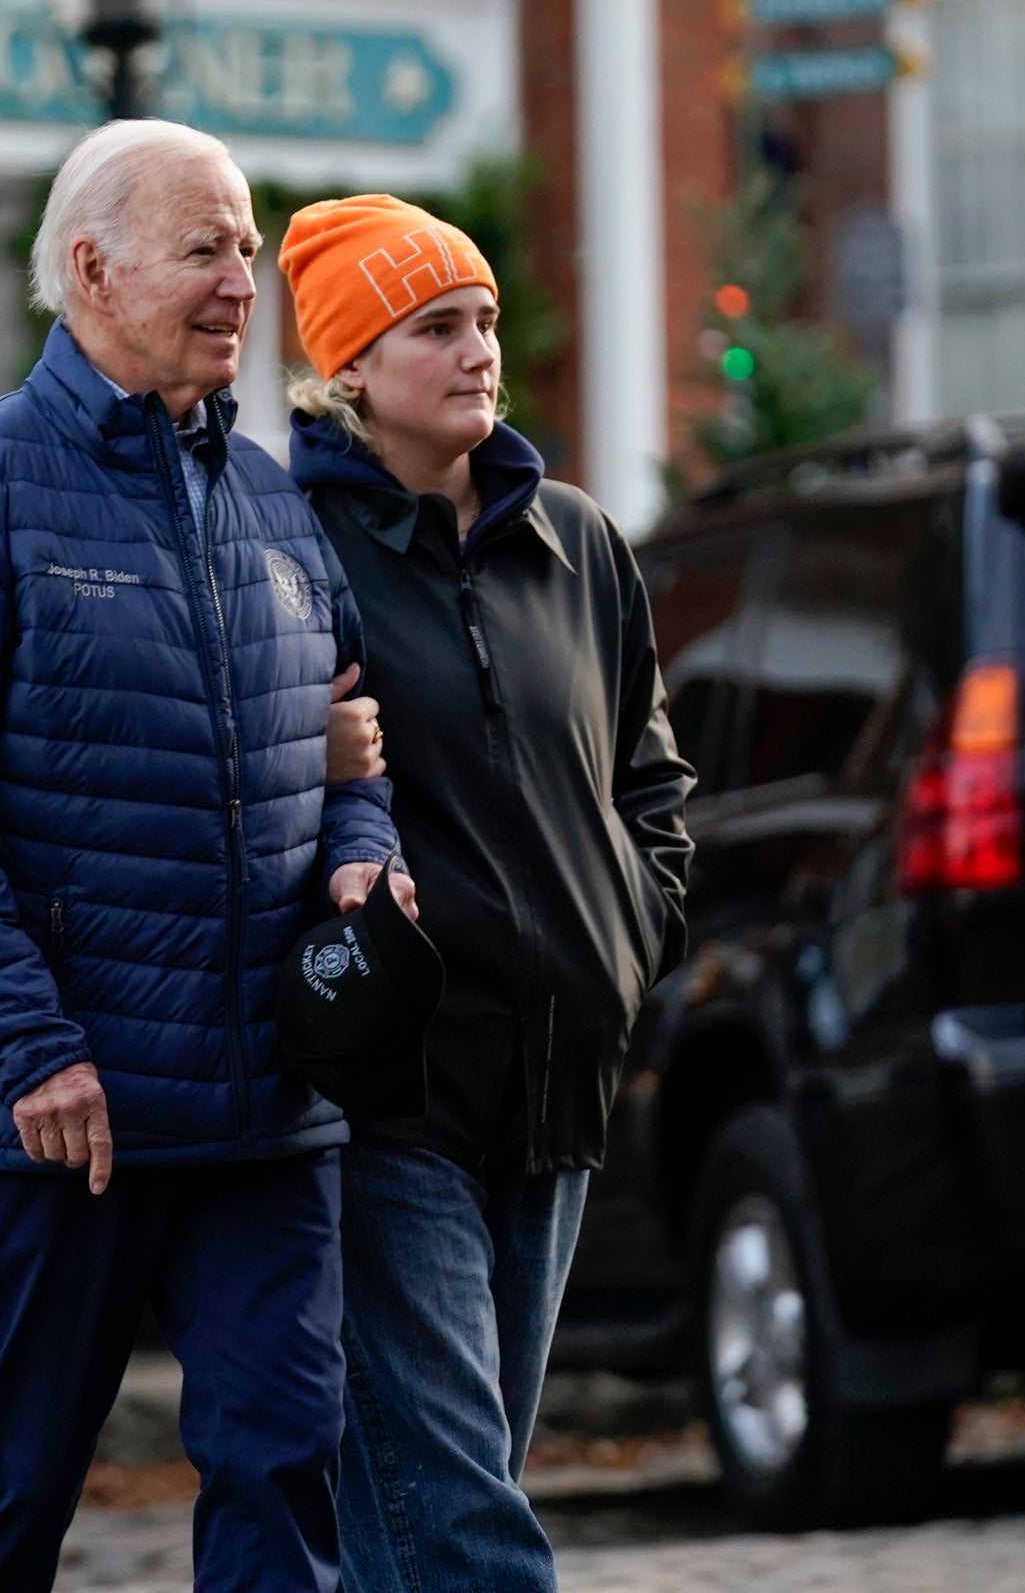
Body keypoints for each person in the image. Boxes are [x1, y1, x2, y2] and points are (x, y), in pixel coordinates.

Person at [0, 118, 408, 1592]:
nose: (244, 281)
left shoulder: (275, 496)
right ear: (90, 269)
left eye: (250, 248)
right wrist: (32, 1051)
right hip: (59, 1115)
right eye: (208, 247)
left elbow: (356, 746)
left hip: (268, 1109)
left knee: (286, 1473)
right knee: (10, 1502)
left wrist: (359, 854)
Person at [279, 194, 695, 1593]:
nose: (478, 353)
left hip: (556, 1080)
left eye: (486, 323)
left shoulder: (578, 547)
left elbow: (651, 787)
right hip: (388, 1097)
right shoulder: (287, 546)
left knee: (431, 1501)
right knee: (463, 1522)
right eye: (436, 328)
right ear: (348, 368)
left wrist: (627, 938)